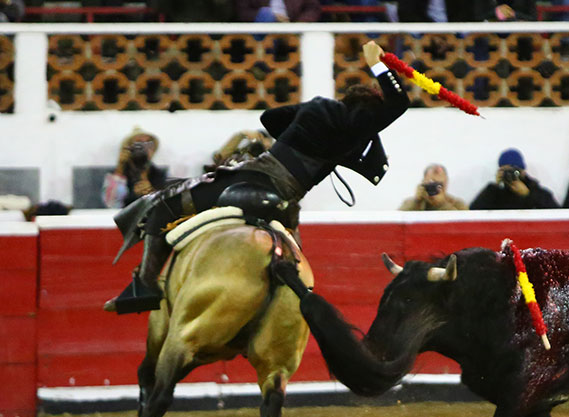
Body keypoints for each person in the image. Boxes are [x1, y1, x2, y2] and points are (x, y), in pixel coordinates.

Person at [104, 40, 409, 314]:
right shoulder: (357, 133)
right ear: (371, 115)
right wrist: (378, 65)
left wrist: (293, 135)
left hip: (251, 177)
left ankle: (145, 286)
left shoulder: (320, 106)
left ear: (346, 99)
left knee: (166, 203)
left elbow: (269, 118)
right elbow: (400, 101)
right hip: (285, 197)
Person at [469, 149, 559, 210]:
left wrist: (528, 195)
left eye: (514, 170)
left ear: (523, 171)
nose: (510, 174)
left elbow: (557, 214)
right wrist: (495, 187)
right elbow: (474, 213)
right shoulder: (494, 193)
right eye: (505, 170)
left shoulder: (537, 191)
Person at [101, 128, 167, 209]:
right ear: (128, 149)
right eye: (139, 144)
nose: (145, 148)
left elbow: (166, 206)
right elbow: (110, 205)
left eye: (149, 143)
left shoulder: (161, 175)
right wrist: (120, 168)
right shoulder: (118, 174)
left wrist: (152, 193)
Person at [399, 164, 467, 211]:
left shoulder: (458, 204)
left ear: (446, 183)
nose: (436, 188)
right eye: (432, 183)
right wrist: (416, 202)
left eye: (440, 185)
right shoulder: (412, 202)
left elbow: (463, 225)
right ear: (423, 182)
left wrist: (442, 204)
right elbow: (399, 221)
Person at [204, 129, 274, 173]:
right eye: (258, 137)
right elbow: (220, 156)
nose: (259, 140)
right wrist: (242, 134)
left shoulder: (270, 156)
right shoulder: (241, 152)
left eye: (261, 137)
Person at [234, 0, 321, 22]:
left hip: (292, 27)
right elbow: (242, 13)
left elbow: (313, 8)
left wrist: (300, 23)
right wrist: (275, 18)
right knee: (266, 13)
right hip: (260, 30)